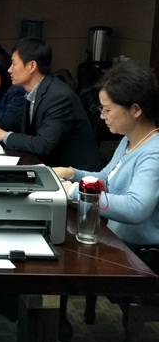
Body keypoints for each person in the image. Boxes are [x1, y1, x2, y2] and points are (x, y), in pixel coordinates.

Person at [54, 60, 159, 248]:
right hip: (115, 240)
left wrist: (74, 191)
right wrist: (71, 173)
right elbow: (106, 179)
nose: (102, 116)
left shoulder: (154, 152)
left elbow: (136, 208)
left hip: (138, 254)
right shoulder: (128, 139)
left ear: (135, 109)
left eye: (107, 109)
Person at [0, 37, 102, 170]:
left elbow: (43, 144)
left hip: (75, 175)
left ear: (31, 66)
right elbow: (19, 120)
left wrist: (5, 136)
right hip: (47, 164)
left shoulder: (59, 96)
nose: (9, 69)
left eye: (14, 64)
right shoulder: (35, 89)